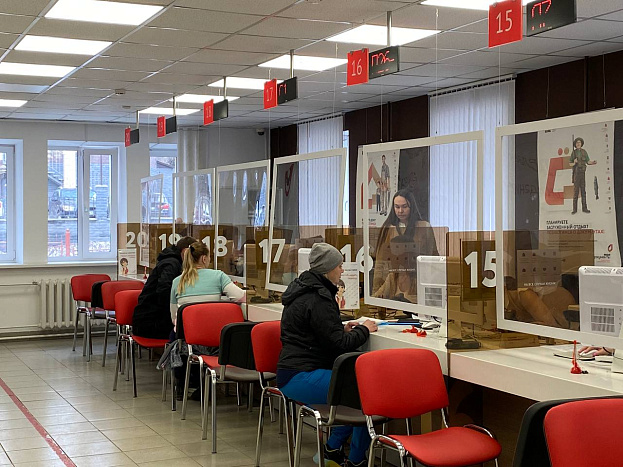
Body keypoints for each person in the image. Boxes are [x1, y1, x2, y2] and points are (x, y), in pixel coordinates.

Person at [277, 243, 378, 467]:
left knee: (353, 392)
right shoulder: (319, 297)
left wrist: (339, 329)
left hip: (294, 370)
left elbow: (316, 332)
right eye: (339, 266)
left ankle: (332, 449)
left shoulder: (304, 289)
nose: (342, 270)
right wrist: (364, 329)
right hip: (301, 374)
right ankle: (356, 460)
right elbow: (340, 345)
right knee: (364, 395)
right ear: (328, 269)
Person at [372, 189, 439, 293]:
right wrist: (376, 291)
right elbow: (380, 262)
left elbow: (433, 257)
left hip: (419, 281)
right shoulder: (388, 228)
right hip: (393, 283)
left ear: (412, 207)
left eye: (404, 207)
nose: (400, 211)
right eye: (397, 207)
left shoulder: (423, 227)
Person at [132, 236, 196, 339]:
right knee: (189, 329)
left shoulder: (171, 262)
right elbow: (163, 291)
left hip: (149, 317)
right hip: (150, 321)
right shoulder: (171, 264)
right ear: (185, 252)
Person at [170, 241, 246, 326]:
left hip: (186, 331)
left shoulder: (177, 281)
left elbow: (174, 318)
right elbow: (240, 297)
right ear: (204, 259)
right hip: (211, 330)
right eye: (209, 257)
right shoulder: (218, 276)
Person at [569, 137, 596, 214]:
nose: (578, 144)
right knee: (576, 192)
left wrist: (593, 162)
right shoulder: (573, 153)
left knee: (583, 191)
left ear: (581, 144)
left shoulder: (584, 152)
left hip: (582, 173)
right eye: (577, 143)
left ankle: (584, 208)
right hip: (576, 173)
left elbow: (588, 161)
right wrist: (574, 162)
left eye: (579, 142)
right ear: (575, 144)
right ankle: (574, 210)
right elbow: (570, 163)